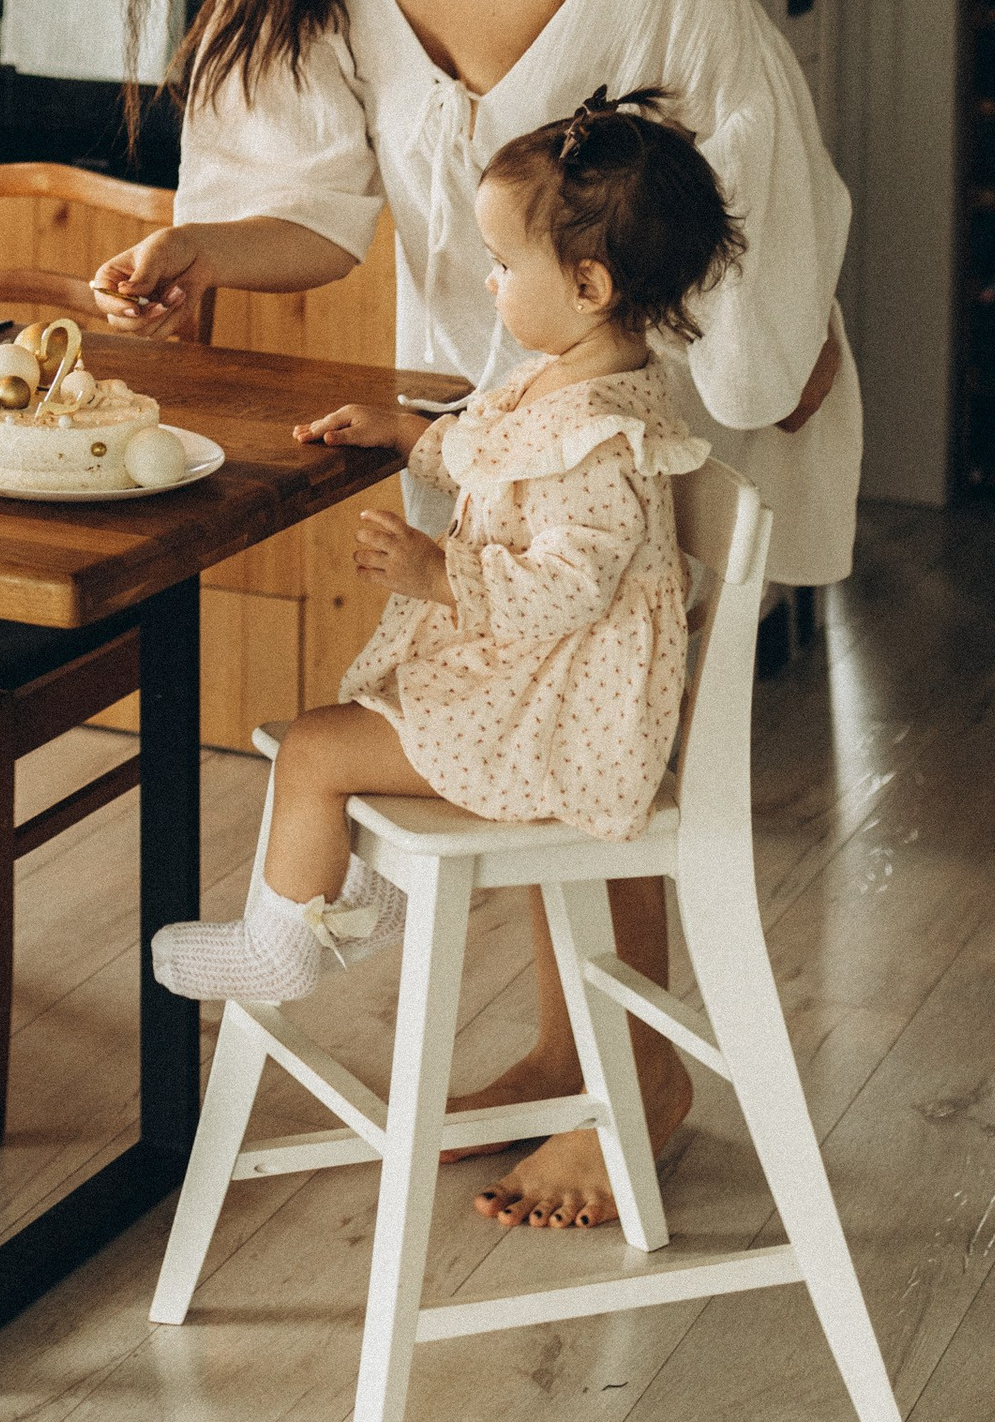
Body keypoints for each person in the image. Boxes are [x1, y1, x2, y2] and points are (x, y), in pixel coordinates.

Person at [92, 0, 854, 1232]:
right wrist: (196, 252)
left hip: (682, 394)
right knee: (524, 712)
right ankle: (582, 1049)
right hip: (499, 405)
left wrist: (743, 395)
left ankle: (634, 1078)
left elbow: (750, 163)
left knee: (609, 729)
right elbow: (316, 215)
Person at [152, 92, 730, 1010]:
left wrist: (439, 572)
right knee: (359, 710)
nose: (491, 283)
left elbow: (571, 583)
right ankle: (360, 899)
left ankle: (278, 951)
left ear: (589, 288)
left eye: (504, 263)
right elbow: (501, 466)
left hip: (558, 722)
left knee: (311, 750)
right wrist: (409, 435)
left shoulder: (601, 437)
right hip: (539, 687)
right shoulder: (578, 382)